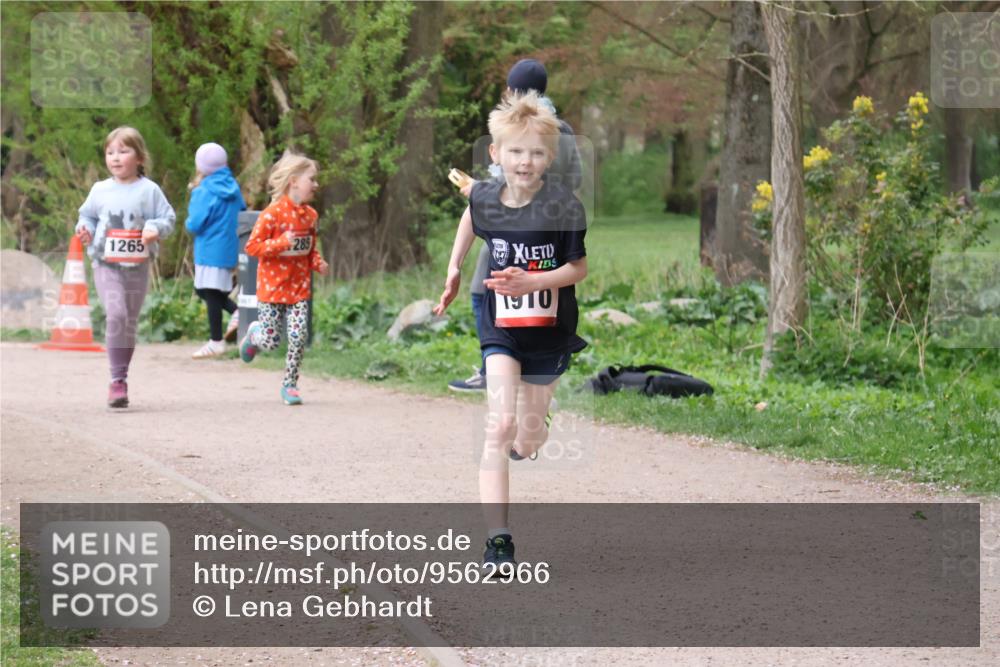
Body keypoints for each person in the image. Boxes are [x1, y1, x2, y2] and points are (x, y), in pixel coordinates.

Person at [433, 92, 588, 568]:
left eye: (537, 152)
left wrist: (534, 281)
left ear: (550, 157)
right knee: (498, 425)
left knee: (527, 439)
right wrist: (455, 267)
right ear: (496, 154)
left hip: (550, 331)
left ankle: (534, 429)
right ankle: (498, 538)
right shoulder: (485, 195)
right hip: (500, 325)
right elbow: (471, 212)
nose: (526, 161)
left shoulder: (564, 206)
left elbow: (578, 269)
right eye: (516, 151)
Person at [448, 58, 582, 393]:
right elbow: (576, 178)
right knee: (546, 292)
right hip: (552, 232)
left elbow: (501, 182)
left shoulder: (514, 126)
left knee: (485, 289)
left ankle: (491, 366)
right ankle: (528, 366)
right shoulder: (560, 128)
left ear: (510, 89)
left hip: (510, 225)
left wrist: (473, 189)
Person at [75, 127, 175, 408]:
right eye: (110, 152)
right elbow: (87, 216)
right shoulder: (100, 190)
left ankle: (122, 378)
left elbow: (168, 218)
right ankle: (116, 380)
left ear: (140, 157)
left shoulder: (149, 190)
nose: (115, 158)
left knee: (128, 322)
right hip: (106, 264)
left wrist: (154, 228)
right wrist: (84, 229)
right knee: (116, 315)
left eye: (123, 151)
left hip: (137, 267)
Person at [239, 152, 329, 405]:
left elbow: (310, 249)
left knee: (299, 336)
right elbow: (252, 247)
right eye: (311, 179)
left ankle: (290, 384)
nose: (316, 185)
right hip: (272, 288)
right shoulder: (272, 214)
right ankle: (254, 334)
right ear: (294, 181)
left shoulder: (310, 215)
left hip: (299, 288)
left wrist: (318, 263)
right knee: (271, 341)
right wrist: (280, 243)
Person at [186, 142, 246, 359]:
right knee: (206, 290)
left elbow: (195, 224)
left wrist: (188, 220)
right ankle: (238, 313)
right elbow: (243, 210)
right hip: (229, 247)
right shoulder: (233, 186)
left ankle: (216, 340)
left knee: (210, 292)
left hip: (209, 248)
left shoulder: (203, 191)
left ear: (200, 166)